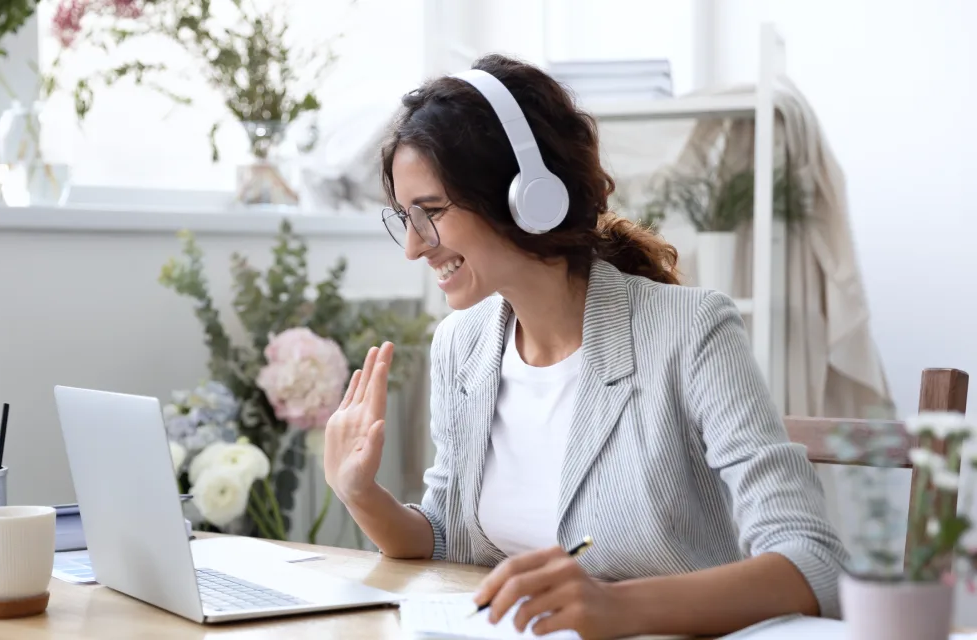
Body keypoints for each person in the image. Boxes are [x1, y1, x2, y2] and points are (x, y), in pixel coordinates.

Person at [322, 53, 848, 640]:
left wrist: (617, 609)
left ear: (526, 194)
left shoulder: (692, 331)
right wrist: (362, 494)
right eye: (404, 218)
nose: (414, 249)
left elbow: (814, 564)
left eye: (432, 213)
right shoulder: (461, 345)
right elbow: (449, 536)